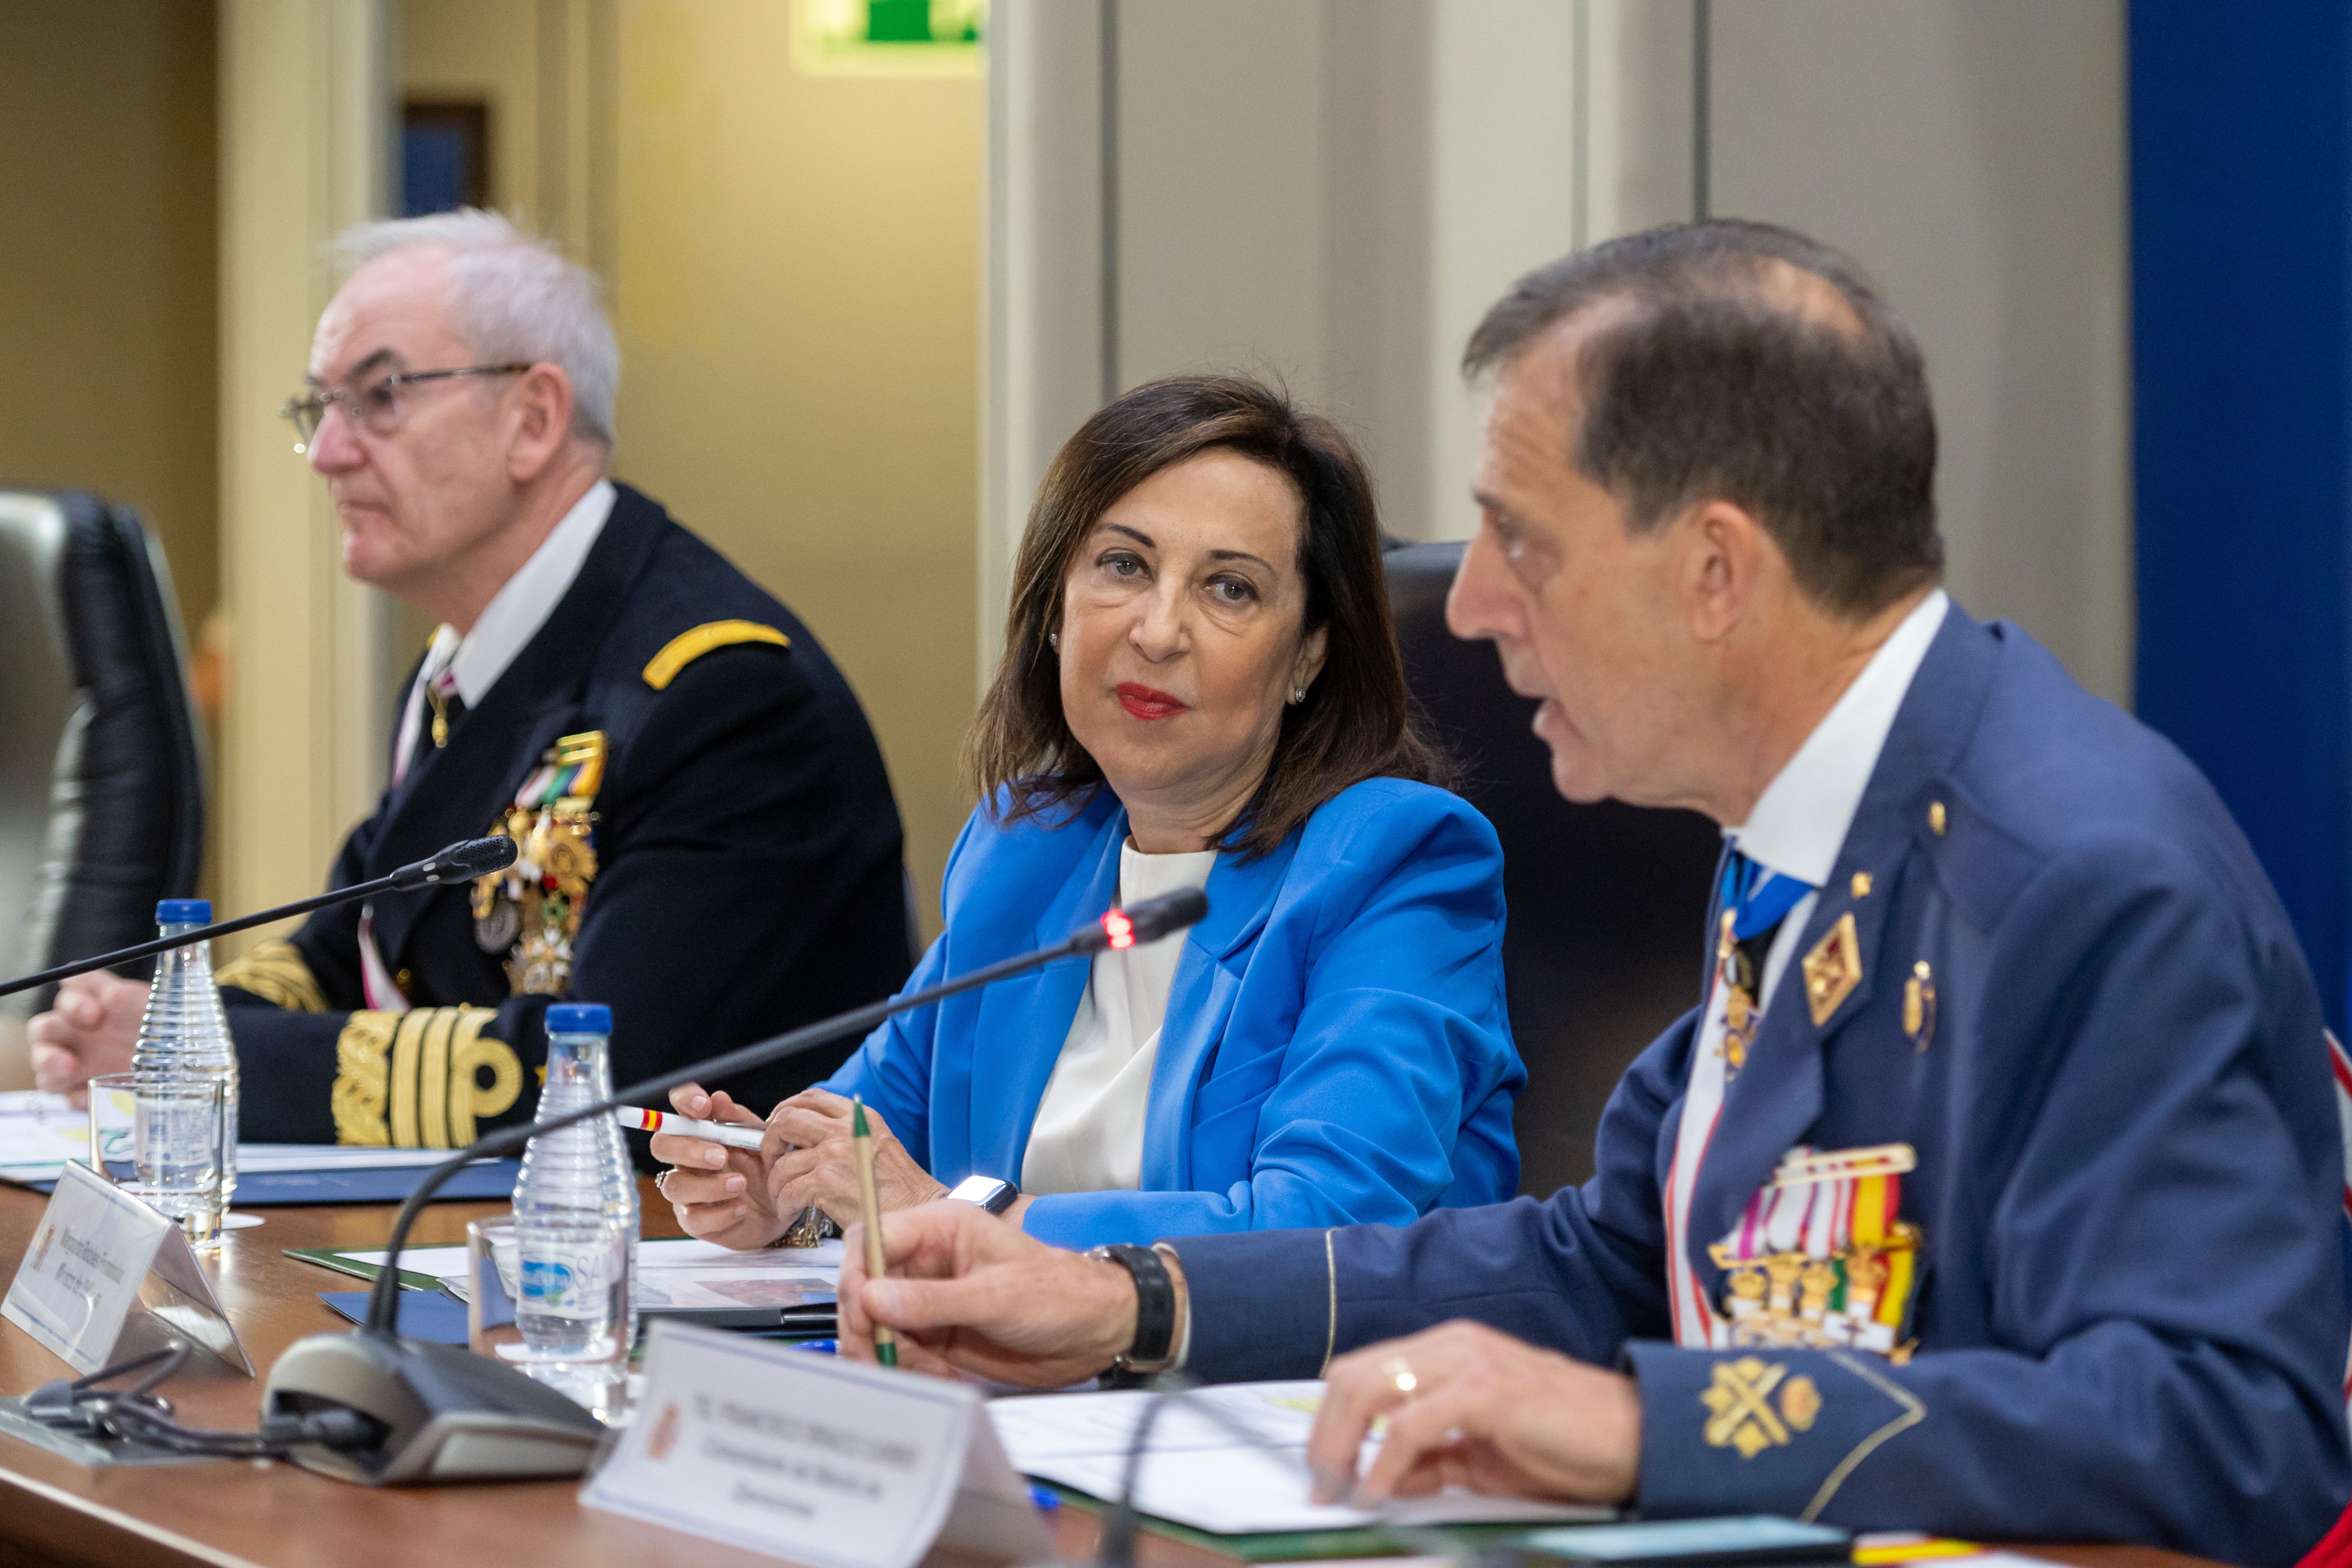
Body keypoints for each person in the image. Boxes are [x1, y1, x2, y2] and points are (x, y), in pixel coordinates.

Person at [828, 222, 2350, 1563]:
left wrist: (1644, 1428)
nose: (1475, 610)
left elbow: (2229, 1424)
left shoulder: (2076, 873)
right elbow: (1603, 1254)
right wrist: (1133, 1299)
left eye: (1523, 545)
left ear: (1713, 574)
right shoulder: (1795, 833)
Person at [27, 209, 913, 1145]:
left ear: (532, 420)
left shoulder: (722, 693)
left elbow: (602, 1075)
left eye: (379, 396)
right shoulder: (464, 665)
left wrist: (215, 1058)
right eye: (318, 407)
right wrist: (161, 1026)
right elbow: (346, 942)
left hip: (691, 1260)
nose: (328, 451)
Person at [652, 374, 1524, 1252]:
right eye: (1124, 565)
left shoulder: (1394, 862)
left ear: (1307, 657)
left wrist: (958, 1220)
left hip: (1292, 1384)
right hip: (1016, 1380)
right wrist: (781, 1188)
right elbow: (870, 1139)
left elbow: (1327, 1227)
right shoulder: (1026, 854)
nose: (1156, 630)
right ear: (1057, 611)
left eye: (1229, 589)